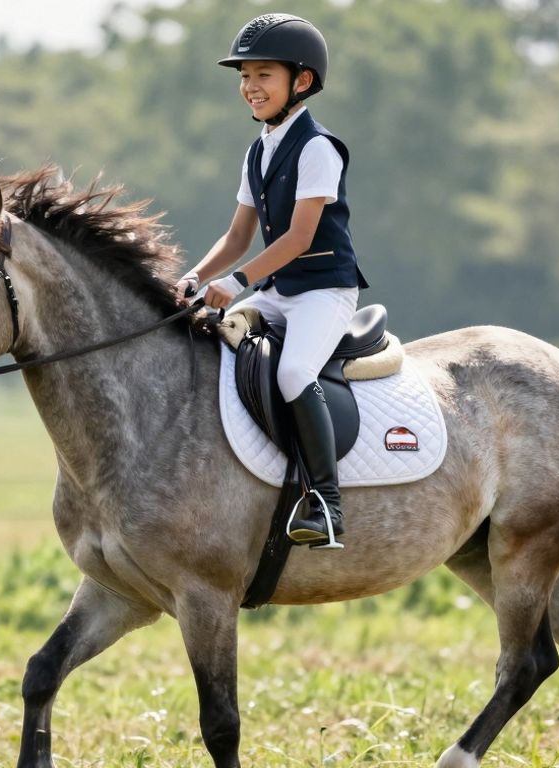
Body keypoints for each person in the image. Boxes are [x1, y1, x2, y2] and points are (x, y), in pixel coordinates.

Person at [174, 13, 369, 547]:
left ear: (300, 81)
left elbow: (300, 238)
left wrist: (235, 283)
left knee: (293, 373)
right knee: (218, 347)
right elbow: (238, 236)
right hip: (281, 290)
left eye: (263, 75)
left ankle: (325, 503)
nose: (250, 87)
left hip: (325, 289)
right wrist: (194, 277)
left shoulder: (318, 148)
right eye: (244, 77)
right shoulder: (258, 150)